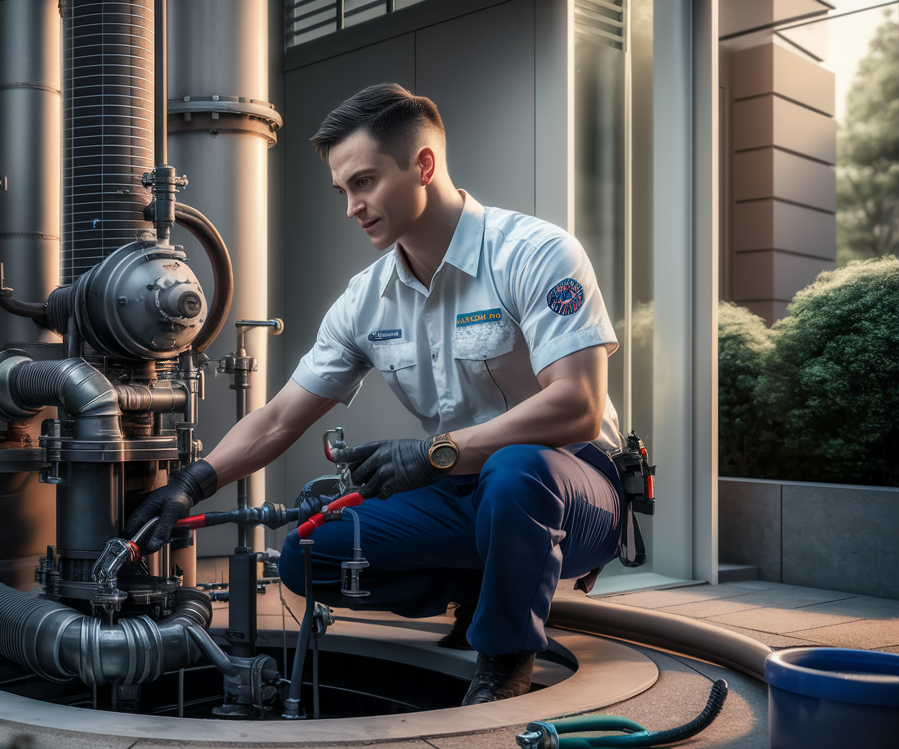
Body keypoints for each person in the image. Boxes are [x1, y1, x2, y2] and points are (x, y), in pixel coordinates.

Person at [127, 83, 625, 705]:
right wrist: (189, 484)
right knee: (309, 552)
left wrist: (433, 453)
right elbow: (281, 416)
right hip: (462, 492)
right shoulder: (368, 298)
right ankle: (484, 585)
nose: (351, 208)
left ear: (423, 165)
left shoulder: (535, 253)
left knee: (516, 472)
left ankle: (502, 662)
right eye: (342, 190)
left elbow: (577, 405)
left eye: (363, 183)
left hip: (572, 488)